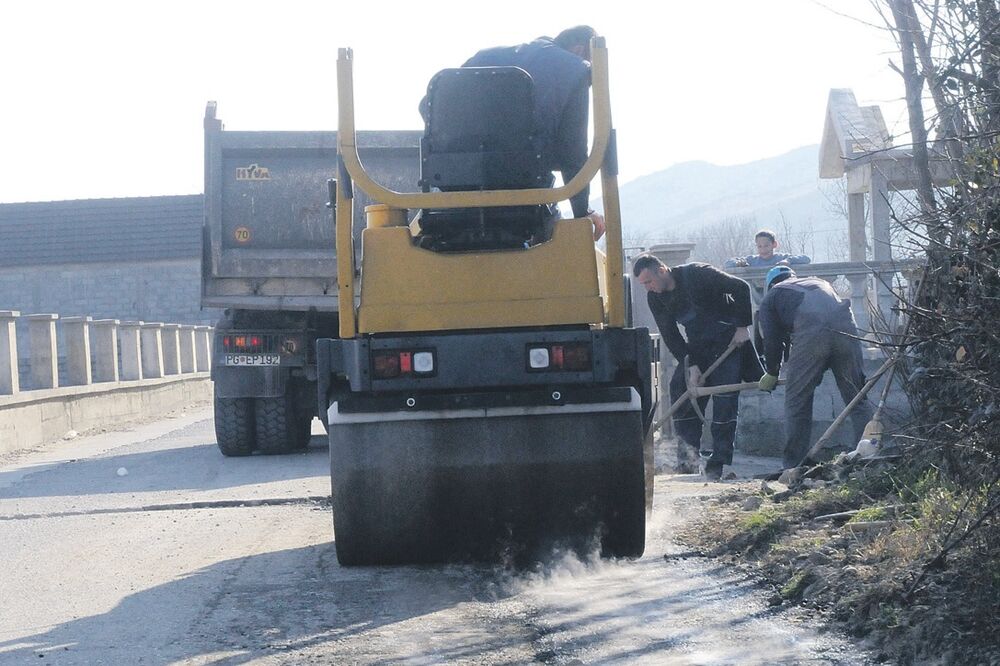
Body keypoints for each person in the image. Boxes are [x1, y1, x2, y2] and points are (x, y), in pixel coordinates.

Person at [435, 26, 606, 241]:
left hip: (458, 193)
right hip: (525, 195)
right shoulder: (576, 69)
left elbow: (428, 107)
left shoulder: (485, 56)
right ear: (580, 51)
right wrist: (583, 211)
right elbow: (573, 151)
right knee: (557, 245)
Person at [633, 255, 755, 480]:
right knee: (680, 387)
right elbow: (670, 334)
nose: (648, 288)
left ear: (662, 270)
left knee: (724, 397)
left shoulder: (697, 274)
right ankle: (688, 459)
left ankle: (719, 461)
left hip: (727, 341)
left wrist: (742, 327)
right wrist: (691, 365)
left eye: (649, 281)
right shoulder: (655, 298)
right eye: (644, 285)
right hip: (697, 346)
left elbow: (740, 288)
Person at [756, 266, 874, 469]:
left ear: (770, 285)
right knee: (856, 398)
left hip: (811, 332)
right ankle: (867, 457)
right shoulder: (818, 283)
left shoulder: (772, 297)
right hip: (847, 329)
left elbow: (772, 341)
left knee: (797, 401)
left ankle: (794, 465)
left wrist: (772, 371)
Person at [724, 229, 811, 268]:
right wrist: (738, 263)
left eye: (766, 246)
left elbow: (806, 259)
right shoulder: (751, 261)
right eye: (759, 246)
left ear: (774, 244)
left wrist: (789, 261)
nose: (763, 250)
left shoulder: (782, 258)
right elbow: (728, 263)